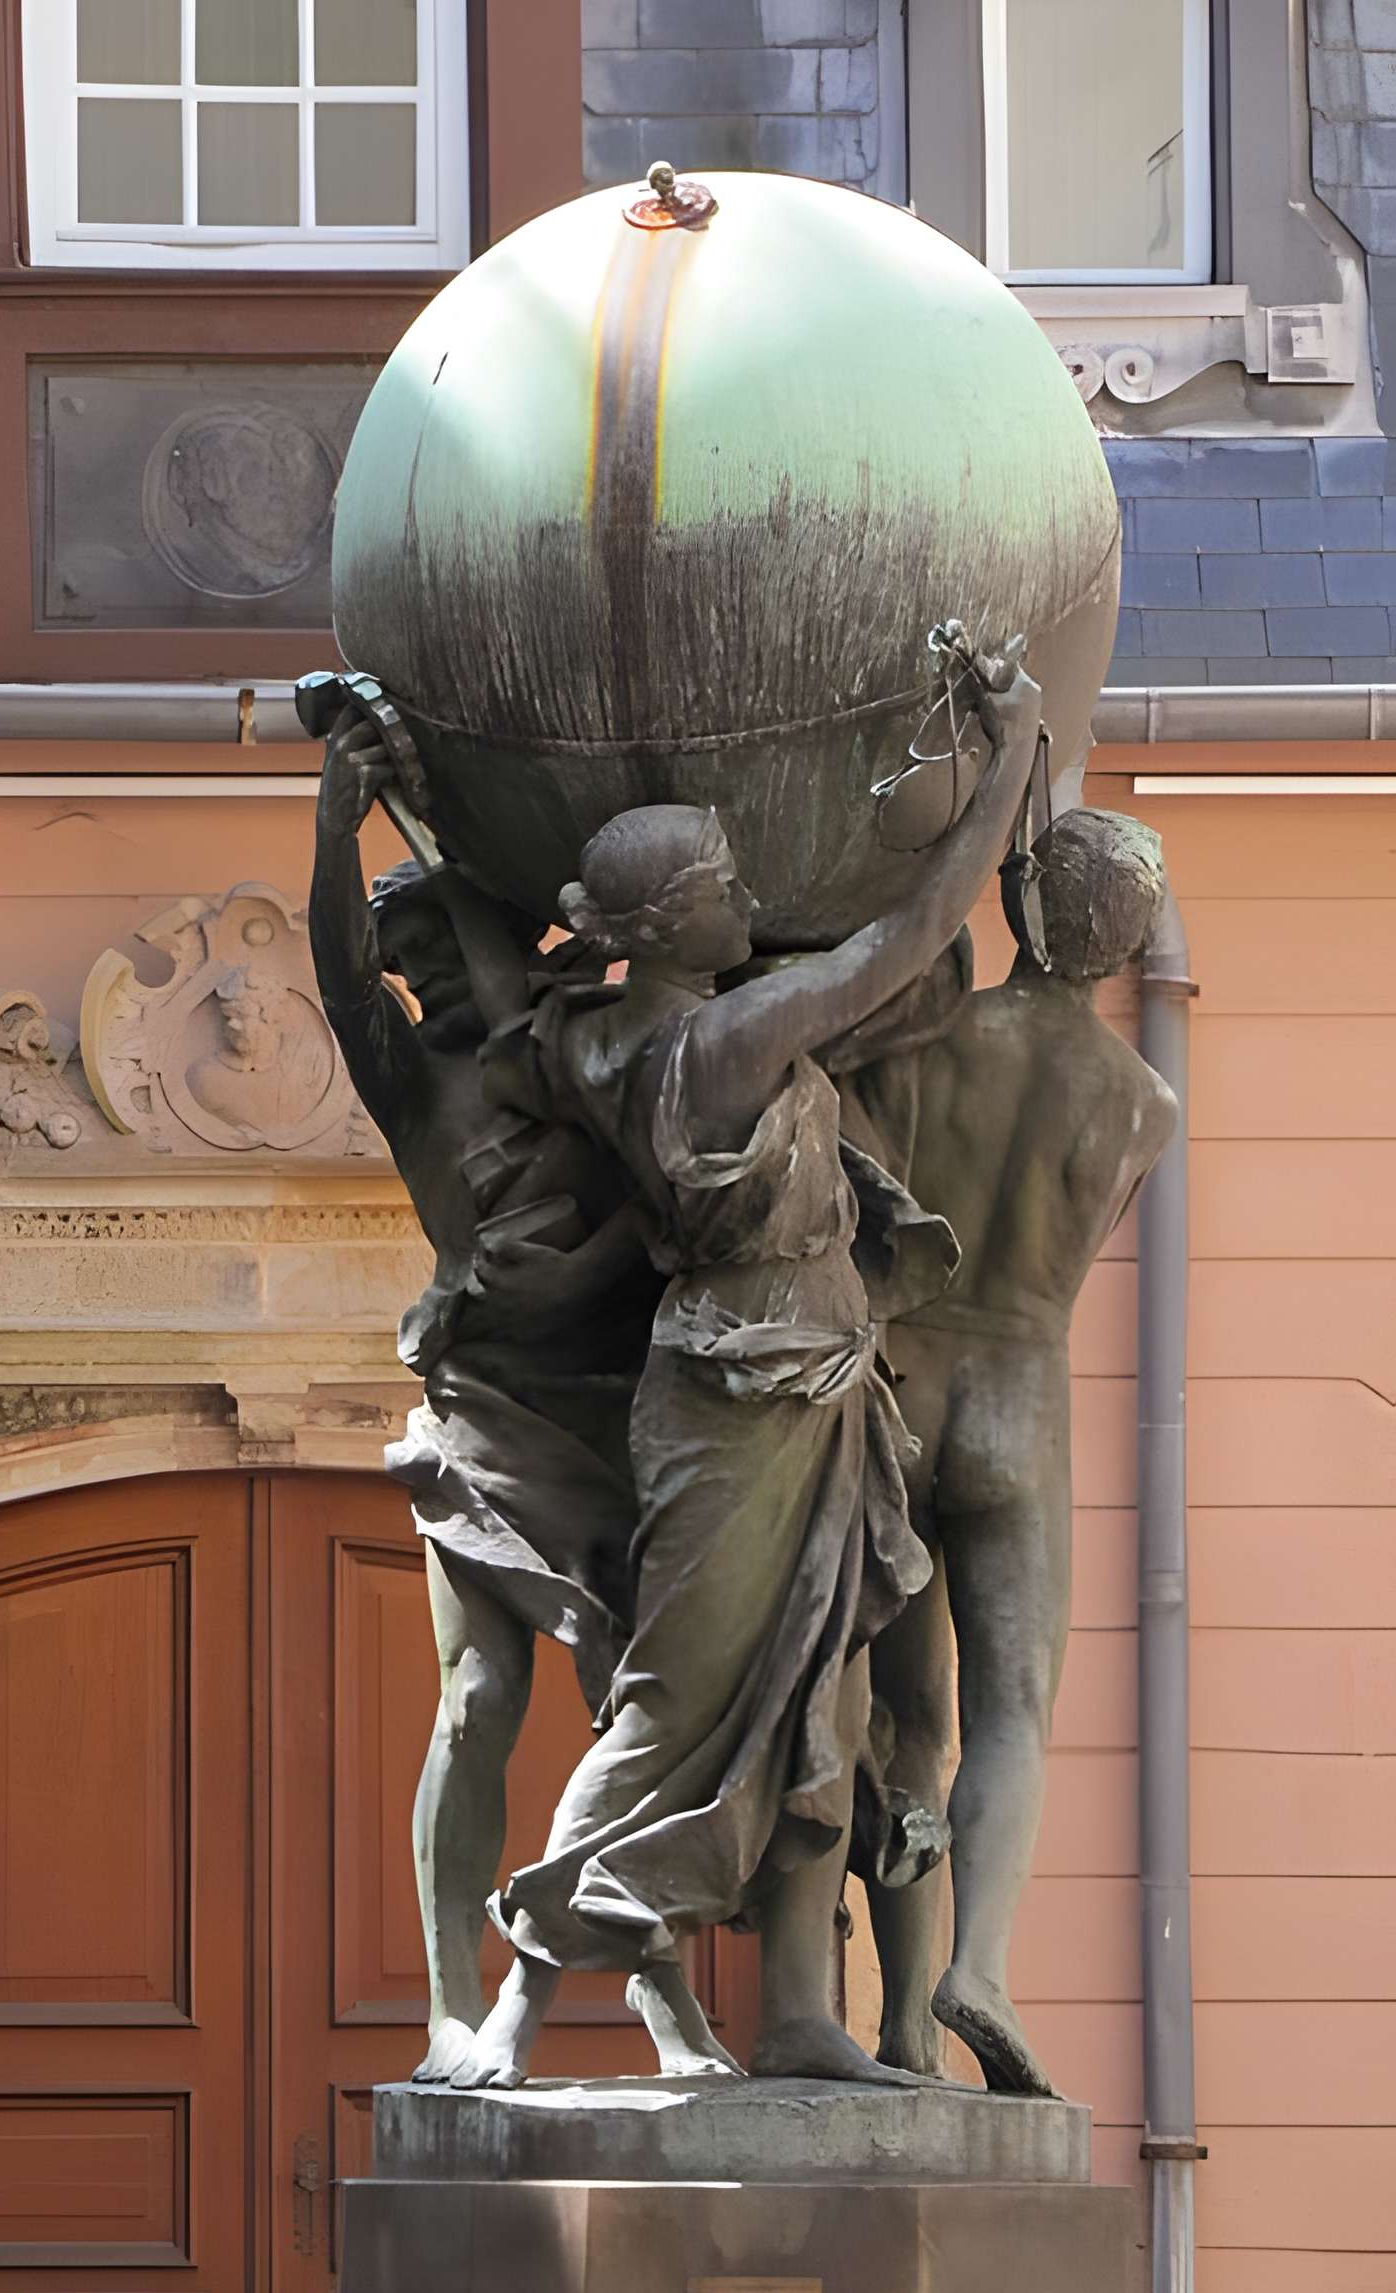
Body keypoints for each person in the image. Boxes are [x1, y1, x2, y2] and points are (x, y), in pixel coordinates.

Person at [444, 658, 1042, 2091]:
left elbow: (496, 969)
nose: (744, 893)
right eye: (721, 882)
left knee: (819, 1700)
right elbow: (900, 940)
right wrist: (1010, 747)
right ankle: (521, 2002)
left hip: (809, 1379)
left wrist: (413, 808)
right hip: (740, 1393)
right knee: (678, 1704)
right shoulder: (717, 1040)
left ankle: (792, 2015)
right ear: (666, 930)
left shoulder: (601, 1030)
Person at [309, 714, 681, 2082]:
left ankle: (663, 1994)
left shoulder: (574, 1051)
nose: (419, 977)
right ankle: (445, 2004)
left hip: (625, 1405)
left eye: (439, 950)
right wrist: (338, 815)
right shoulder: (418, 1081)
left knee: (651, 1709)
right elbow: (335, 970)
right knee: (476, 1702)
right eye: (406, 963)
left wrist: (416, 809)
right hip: (484, 1412)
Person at [862, 806, 1177, 2095]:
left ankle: (892, 2025)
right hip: (1019, 1391)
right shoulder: (1141, 1102)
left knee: (902, 1720)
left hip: (901, 1377)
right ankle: (980, 1966)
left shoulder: (934, 1047)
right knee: (1013, 1708)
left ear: (1023, 908)